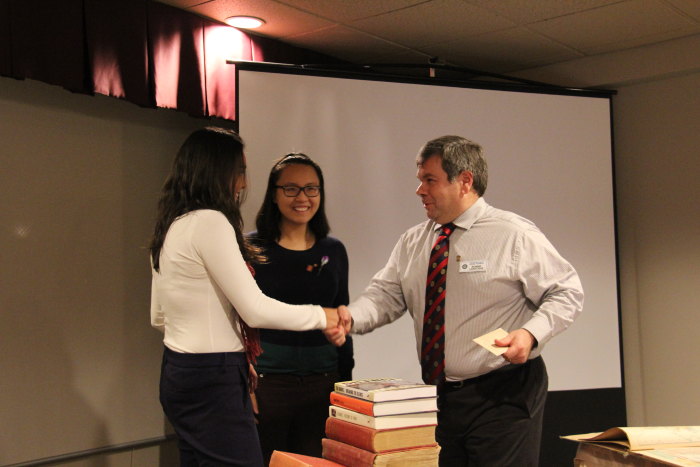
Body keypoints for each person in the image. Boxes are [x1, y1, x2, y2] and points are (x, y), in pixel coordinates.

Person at [339, 135, 584, 466]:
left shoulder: (513, 234)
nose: (420, 190)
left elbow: (567, 291)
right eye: (420, 180)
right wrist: (351, 318)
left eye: (430, 180)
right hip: (440, 399)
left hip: (504, 393)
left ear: (465, 181)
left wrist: (530, 334)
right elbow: (386, 295)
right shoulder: (414, 241)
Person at [149, 128, 345, 466]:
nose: (243, 183)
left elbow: (158, 317)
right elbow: (254, 310)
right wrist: (322, 316)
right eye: (240, 171)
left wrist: (235, 359)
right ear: (219, 171)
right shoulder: (211, 222)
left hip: (179, 370)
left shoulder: (173, 223)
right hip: (212, 376)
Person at [247, 153, 354, 465]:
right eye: (291, 189)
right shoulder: (252, 249)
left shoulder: (333, 250)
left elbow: (341, 318)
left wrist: (345, 383)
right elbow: (238, 323)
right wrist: (244, 385)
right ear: (274, 193)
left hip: (323, 384)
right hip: (267, 385)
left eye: (312, 189)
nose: (302, 198)